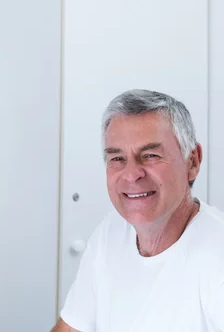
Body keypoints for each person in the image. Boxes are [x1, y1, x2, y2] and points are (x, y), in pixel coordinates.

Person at [52, 89, 224, 332]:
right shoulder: (110, 233)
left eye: (150, 155)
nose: (132, 174)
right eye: (117, 158)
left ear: (192, 161)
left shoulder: (217, 255)